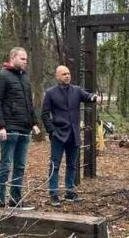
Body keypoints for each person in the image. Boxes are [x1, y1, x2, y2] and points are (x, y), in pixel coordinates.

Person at [41, 65, 101, 207]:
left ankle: (69, 191)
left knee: (72, 165)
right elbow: (44, 114)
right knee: (55, 165)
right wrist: (52, 131)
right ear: (57, 76)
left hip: (74, 134)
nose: (67, 76)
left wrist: (95, 97)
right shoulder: (50, 93)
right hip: (58, 134)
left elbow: (88, 97)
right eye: (63, 74)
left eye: (68, 73)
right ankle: (54, 193)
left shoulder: (76, 90)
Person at [0, 47, 40, 208]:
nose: (25, 62)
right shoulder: (1, 76)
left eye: (26, 59)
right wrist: (1, 126)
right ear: (12, 58)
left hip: (24, 129)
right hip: (9, 128)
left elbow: (28, 103)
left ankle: (15, 199)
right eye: (22, 58)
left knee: (20, 166)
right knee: (6, 165)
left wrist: (34, 123)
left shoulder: (25, 78)